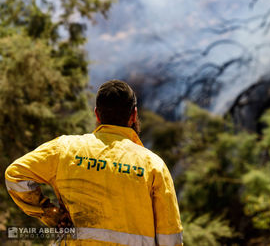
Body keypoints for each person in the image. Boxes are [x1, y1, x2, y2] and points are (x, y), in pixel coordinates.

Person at [5, 79, 183, 246]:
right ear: (134, 115)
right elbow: (170, 236)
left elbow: (15, 175)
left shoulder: (64, 148)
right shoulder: (153, 165)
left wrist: (53, 215)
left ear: (97, 113)